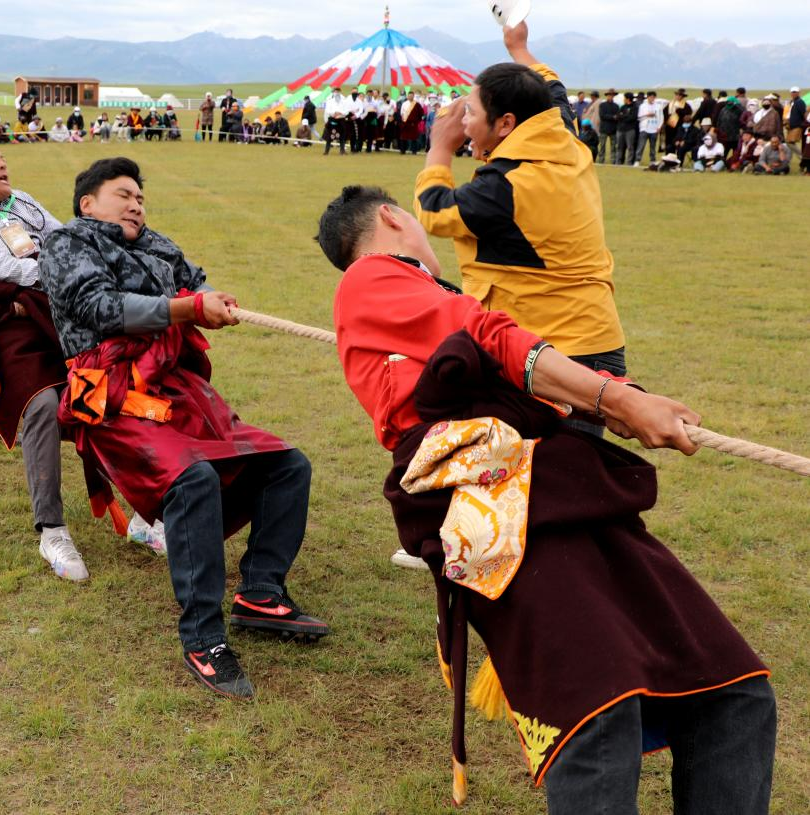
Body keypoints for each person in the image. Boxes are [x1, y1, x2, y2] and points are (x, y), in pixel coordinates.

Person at [319, 183, 774, 814]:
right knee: (599, 710)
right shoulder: (371, 277)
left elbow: (514, 362)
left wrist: (615, 394)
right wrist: (616, 400)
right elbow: (488, 336)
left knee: (733, 693)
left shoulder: (418, 295)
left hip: (563, 487)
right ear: (393, 216)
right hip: (490, 503)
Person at [38, 157, 330, 699]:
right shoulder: (68, 245)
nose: (136, 205)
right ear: (87, 204)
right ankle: (202, 635)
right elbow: (97, 306)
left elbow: (195, 281)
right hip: (109, 394)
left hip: (176, 389)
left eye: (141, 198)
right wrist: (186, 307)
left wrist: (212, 299)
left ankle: (262, 592)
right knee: (192, 480)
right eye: (123, 195)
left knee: (285, 465)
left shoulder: (156, 242)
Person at [0, 132, 152, 580]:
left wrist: (78, 268)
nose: (2, 163)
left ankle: (142, 517)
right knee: (41, 407)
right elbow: (4, 268)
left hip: (56, 312)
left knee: (99, 399)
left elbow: (63, 238)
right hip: (9, 324)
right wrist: (70, 274)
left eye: (2, 156)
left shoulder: (22, 200)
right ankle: (52, 531)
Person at [414, 21, 626, 437]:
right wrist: (519, 48)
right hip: (593, 338)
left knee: (551, 483)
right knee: (575, 481)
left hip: (551, 351)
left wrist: (440, 147)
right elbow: (552, 86)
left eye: (470, 112)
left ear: (507, 123)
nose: (462, 121)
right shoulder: (562, 137)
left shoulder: (505, 186)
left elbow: (435, 211)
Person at [636, 90, 662, 165]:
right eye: (650, 97)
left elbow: (661, 117)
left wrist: (659, 127)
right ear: (647, 97)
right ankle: (637, 160)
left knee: (653, 146)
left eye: (653, 97)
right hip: (644, 128)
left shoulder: (658, 106)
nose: (652, 98)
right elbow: (639, 117)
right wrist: (647, 115)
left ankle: (652, 161)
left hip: (654, 129)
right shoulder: (642, 106)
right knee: (641, 145)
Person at [322, 87, 351, 155]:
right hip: (332, 119)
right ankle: (326, 151)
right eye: (336, 92)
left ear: (340, 92)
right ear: (333, 93)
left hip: (341, 120)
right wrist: (334, 112)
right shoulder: (330, 101)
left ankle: (342, 151)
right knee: (329, 136)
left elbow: (347, 111)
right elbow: (327, 110)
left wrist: (340, 113)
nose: (337, 93)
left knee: (342, 136)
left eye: (338, 92)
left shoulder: (344, 101)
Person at [596, 89, 619, 164]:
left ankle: (613, 161)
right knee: (602, 146)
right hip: (604, 129)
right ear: (607, 96)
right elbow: (602, 116)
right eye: (610, 95)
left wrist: (615, 117)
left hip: (613, 129)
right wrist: (613, 117)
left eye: (612, 95)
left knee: (613, 147)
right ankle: (601, 160)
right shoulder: (602, 105)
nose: (611, 96)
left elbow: (617, 116)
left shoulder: (616, 106)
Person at [616, 91, 638, 165]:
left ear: (628, 99)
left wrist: (623, 116)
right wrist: (625, 116)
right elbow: (618, 116)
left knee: (630, 147)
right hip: (620, 130)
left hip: (630, 130)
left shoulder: (634, 108)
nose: (623, 99)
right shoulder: (622, 107)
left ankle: (629, 162)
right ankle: (618, 162)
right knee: (619, 147)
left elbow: (632, 118)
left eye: (624, 98)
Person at [787, 86, 805, 160]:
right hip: (792, 126)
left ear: (798, 93)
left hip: (797, 126)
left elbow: (803, 114)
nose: (793, 93)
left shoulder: (800, 102)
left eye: (795, 92)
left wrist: (802, 124)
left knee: (790, 142)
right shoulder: (793, 102)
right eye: (792, 92)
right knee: (790, 143)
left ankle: (803, 159)